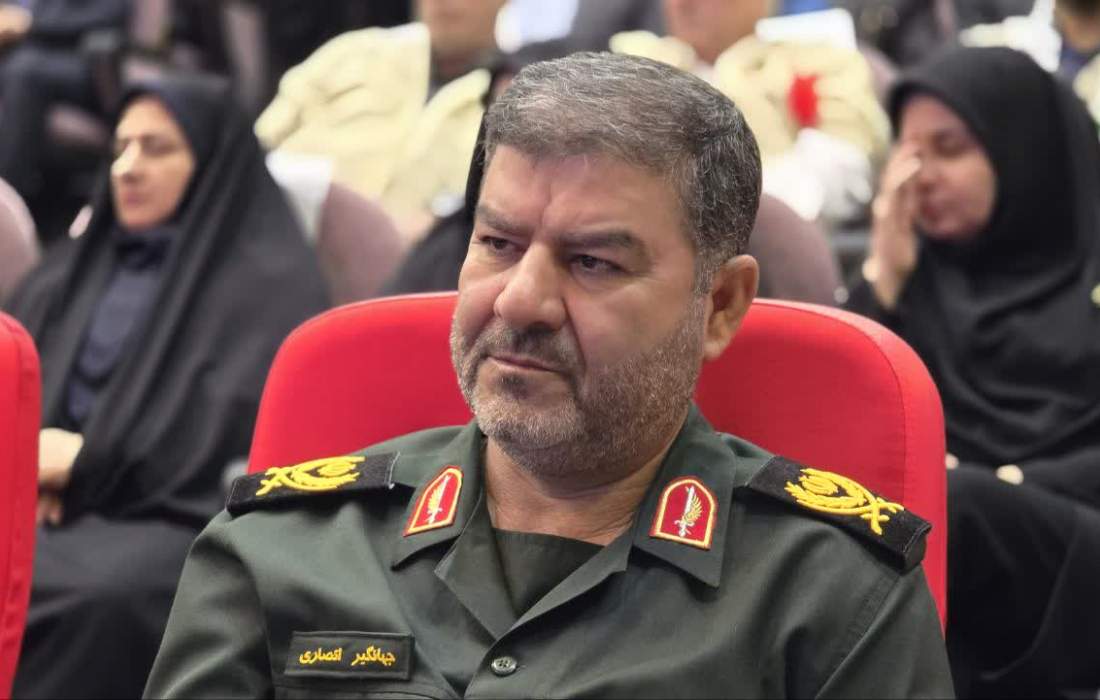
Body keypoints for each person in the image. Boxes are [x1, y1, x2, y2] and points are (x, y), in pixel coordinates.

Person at [144, 52, 951, 698]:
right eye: (497, 244)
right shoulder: (281, 548)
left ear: (720, 306)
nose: (521, 300)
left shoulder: (832, 598)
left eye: (593, 262)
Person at [4, 73, 330, 699]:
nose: (127, 168)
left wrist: (88, 464)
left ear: (207, 161)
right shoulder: (71, 269)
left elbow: (246, 444)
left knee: (100, 601)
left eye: (155, 148)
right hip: (40, 503)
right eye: (120, 148)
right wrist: (24, 470)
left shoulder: (267, 287)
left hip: (168, 513)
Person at [845, 46, 1100, 697]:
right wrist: (884, 275)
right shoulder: (918, 277)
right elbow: (846, 421)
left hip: (1077, 540)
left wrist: (1010, 482)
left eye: (948, 148)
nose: (919, 175)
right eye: (907, 151)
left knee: (951, 509)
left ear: (1024, 151)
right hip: (949, 530)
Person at [611, 0, 889, 224]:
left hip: (778, 246)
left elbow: (839, 181)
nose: (681, 3)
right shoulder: (635, 66)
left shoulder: (822, 63)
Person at [255, 0, 507, 243]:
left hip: (416, 260)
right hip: (277, 235)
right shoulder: (353, 53)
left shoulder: (511, 102)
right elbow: (257, 144)